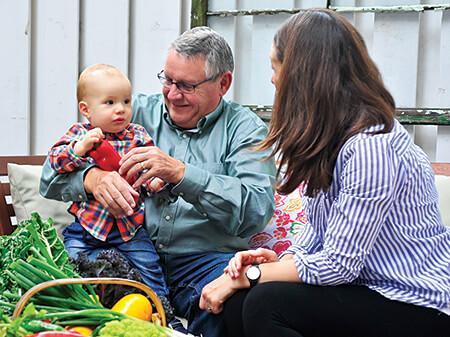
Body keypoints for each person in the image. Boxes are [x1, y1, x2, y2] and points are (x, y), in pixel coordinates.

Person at [199, 9, 450, 337]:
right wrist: (276, 260)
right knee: (239, 302)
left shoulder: (371, 146)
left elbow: (339, 263)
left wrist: (256, 274)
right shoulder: (333, 137)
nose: (273, 80)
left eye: (276, 67)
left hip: (415, 302)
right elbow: (318, 237)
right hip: (366, 289)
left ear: (303, 74)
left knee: (264, 301)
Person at [40, 28, 276, 337]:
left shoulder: (245, 129)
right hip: (124, 249)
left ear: (223, 83)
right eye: (168, 80)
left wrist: (181, 174)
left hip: (201, 261)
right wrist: (91, 179)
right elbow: (49, 178)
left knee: (237, 305)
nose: (173, 94)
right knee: (91, 293)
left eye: (187, 85)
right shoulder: (129, 112)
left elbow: (256, 209)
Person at [44, 63, 185, 330]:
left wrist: (155, 181)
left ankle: (165, 315)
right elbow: (55, 162)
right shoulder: (80, 134)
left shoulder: (138, 135)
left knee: (150, 268)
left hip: (129, 229)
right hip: (86, 230)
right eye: (109, 102)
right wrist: (79, 149)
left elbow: (149, 169)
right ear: (86, 109)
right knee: (69, 269)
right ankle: (69, 319)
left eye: (125, 101)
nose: (120, 109)